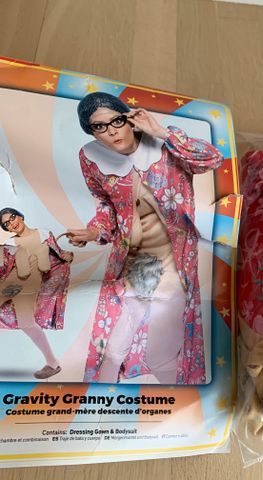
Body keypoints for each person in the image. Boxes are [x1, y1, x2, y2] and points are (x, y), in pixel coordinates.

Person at [68, 92, 224, 384]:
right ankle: (98, 399)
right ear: (92, 132)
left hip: (174, 264)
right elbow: (106, 207)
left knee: (162, 352)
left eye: (116, 120)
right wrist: (94, 232)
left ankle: (178, 402)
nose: (111, 131)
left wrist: (161, 132)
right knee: (113, 349)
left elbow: (212, 159)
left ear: (129, 118)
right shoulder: (91, 158)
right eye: (99, 126)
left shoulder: (165, 144)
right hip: (136, 264)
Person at [0, 207, 73, 379]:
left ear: (20, 216)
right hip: (11, 283)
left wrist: (67, 256)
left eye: (12, 218)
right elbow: (4, 266)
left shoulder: (44, 234)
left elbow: (57, 255)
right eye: (6, 224)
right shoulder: (10, 243)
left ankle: (52, 363)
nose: (12, 223)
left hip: (29, 288)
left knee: (27, 323)